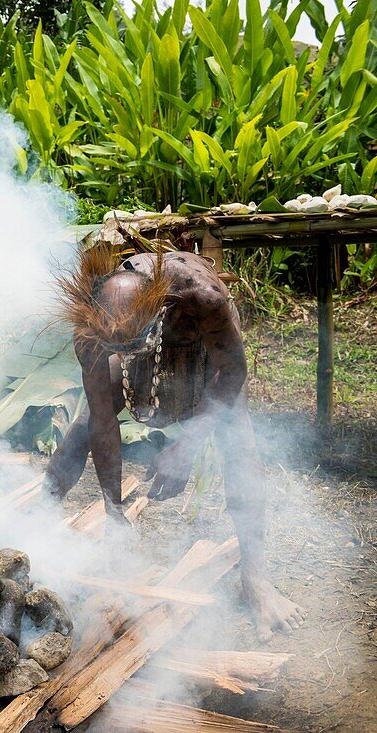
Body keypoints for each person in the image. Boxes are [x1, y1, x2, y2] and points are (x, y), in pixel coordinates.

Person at [45, 246, 306, 641]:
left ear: (160, 309)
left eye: (131, 345)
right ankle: (34, 525)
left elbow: (232, 374)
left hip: (205, 348)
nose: (122, 355)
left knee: (239, 439)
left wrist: (186, 448)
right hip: (135, 335)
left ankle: (256, 579)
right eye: (118, 351)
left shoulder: (202, 298)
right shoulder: (91, 323)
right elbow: (102, 420)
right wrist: (114, 516)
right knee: (83, 428)